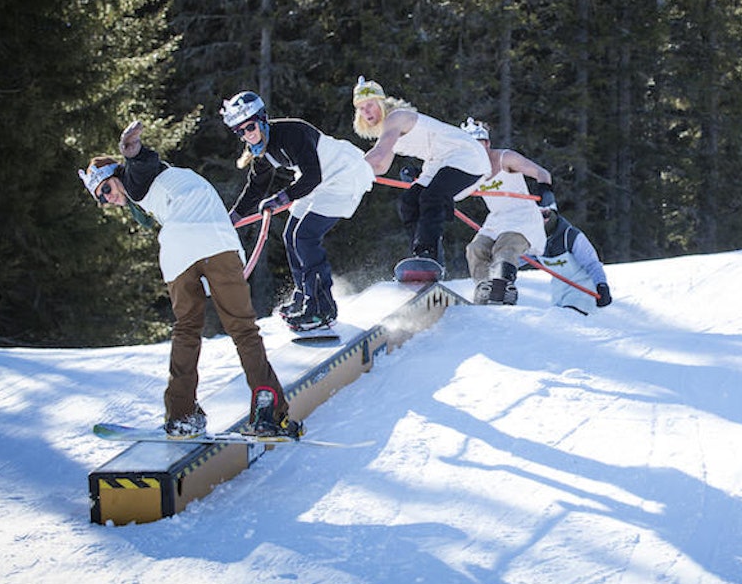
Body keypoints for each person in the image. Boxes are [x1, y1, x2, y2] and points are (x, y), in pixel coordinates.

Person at [77, 120, 301, 438]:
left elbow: (141, 164)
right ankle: (268, 411)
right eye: (101, 199)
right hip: (215, 245)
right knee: (242, 330)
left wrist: (133, 151)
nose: (107, 199)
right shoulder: (147, 191)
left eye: (106, 190)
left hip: (180, 254)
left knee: (186, 330)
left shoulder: (135, 177)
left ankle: (182, 415)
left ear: (116, 175)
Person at [221, 91, 374, 332]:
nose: (247, 134)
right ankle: (306, 295)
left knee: (305, 236)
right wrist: (233, 217)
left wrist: (282, 198)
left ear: (262, 119)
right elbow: (256, 186)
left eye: (250, 126)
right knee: (290, 234)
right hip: (316, 183)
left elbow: (313, 175)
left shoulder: (292, 133)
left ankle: (323, 308)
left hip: (344, 175)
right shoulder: (261, 150)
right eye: (240, 131)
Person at [351, 76, 489, 277]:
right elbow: (381, 165)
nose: (366, 112)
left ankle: (427, 255)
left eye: (370, 105)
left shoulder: (396, 118)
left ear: (381, 103)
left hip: (466, 155)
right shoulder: (386, 130)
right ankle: (426, 260)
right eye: (361, 109)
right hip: (439, 161)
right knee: (409, 201)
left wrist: (347, 169)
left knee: (431, 197)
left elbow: (379, 155)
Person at [459, 117, 554, 305]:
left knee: (506, 246)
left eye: (480, 144)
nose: (477, 151)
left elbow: (542, 173)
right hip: (496, 220)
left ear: (487, 143)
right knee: (475, 249)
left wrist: (546, 195)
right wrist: (419, 179)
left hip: (522, 216)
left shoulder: (506, 158)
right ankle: (484, 288)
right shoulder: (468, 168)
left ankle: (502, 287)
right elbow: (450, 189)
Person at [532, 201, 613, 314]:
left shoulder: (570, 236)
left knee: (567, 320)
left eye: (545, 215)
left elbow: (592, 264)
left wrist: (601, 285)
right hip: (559, 296)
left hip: (582, 293)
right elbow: (517, 259)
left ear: (553, 213)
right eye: (536, 215)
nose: (542, 220)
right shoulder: (534, 240)